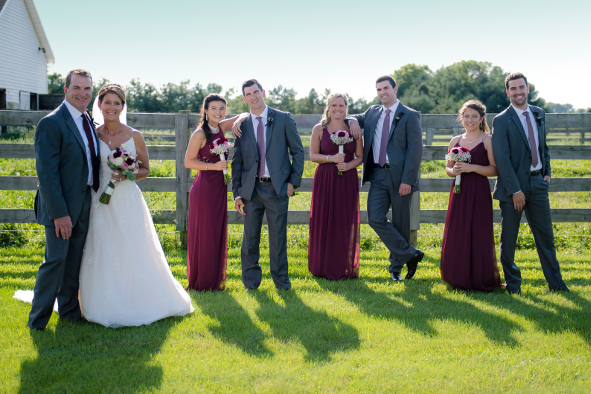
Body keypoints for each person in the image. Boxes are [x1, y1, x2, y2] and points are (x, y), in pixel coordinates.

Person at [78, 83, 194, 327]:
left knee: (133, 249)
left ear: (123, 106)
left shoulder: (134, 135)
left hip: (128, 200)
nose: (112, 107)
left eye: (117, 103)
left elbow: (145, 169)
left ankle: (140, 300)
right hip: (100, 201)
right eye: (107, 102)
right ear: (99, 105)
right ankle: (100, 301)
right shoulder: (92, 134)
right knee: (103, 248)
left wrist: (128, 174)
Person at [24, 69, 98, 330]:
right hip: (60, 207)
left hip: (84, 203)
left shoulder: (87, 119)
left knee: (74, 262)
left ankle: (69, 314)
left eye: (87, 88)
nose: (82, 93)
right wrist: (59, 213)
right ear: (65, 90)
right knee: (55, 262)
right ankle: (38, 321)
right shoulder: (52, 123)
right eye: (77, 88)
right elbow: (46, 173)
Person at [492, 72, 570, 294]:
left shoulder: (539, 113)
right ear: (508, 92)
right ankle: (513, 286)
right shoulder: (501, 119)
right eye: (513, 89)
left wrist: (546, 172)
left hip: (537, 186)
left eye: (521, 87)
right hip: (512, 189)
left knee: (546, 238)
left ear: (527, 88)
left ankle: (557, 285)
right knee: (508, 241)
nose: (518, 92)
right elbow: (502, 158)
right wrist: (516, 189)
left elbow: (543, 146)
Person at [347, 75, 424, 282]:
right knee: (375, 217)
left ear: (395, 89)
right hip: (378, 174)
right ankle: (411, 254)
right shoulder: (373, 112)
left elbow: (415, 151)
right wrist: (353, 120)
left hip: (401, 177)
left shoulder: (409, 115)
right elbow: (354, 117)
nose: (382, 92)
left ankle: (396, 269)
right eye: (379, 89)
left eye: (386, 88)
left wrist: (408, 180)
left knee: (400, 223)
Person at [231, 79, 305, 290]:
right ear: (244, 98)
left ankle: (281, 282)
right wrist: (236, 193)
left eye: (256, 92)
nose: (253, 97)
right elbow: (237, 161)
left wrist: (293, 182)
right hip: (250, 190)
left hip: (277, 188)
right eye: (248, 94)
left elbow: (298, 151)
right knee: (250, 239)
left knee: (278, 238)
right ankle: (251, 282)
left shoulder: (282, 118)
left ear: (263, 92)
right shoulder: (242, 125)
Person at [184, 94, 247, 291]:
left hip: (219, 189)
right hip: (204, 189)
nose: (218, 112)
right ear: (205, 110)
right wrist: (215, 167)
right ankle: (201, 281)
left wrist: (240, 120)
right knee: (205, 233)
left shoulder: (221, 127)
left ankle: (213, 280)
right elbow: (188, 162)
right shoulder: (200, 134)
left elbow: (244, 113)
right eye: (213, 108)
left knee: (215, 231)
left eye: (222, 108)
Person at [440, 100, 501, 291]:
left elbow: (494, 170)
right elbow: (448, 169)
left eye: (474, 116)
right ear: (462, 118)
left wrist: (471, 167)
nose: (470, 120)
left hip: (479, 192)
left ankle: (480, 277)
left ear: (482, 118)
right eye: (466, 116)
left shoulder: (487, 140)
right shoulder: (455, 141)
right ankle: (457, 275)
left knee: (479, 232)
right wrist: (455, 171)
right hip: (459, 192)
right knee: (458, 231)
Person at [308, 93, 363, 280]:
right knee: (323, 219)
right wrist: (330, 158)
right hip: (325, 179)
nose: (337, 109)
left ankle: (342, 266)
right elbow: (313, 155)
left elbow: (360, 157)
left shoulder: (353, 129)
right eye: (334, 105)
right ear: (328, 107)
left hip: (347, 178)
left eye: (341, 105)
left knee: (343, 221)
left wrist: (348, 166)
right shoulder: (319, 129)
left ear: (346, 108)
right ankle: (321, 266)